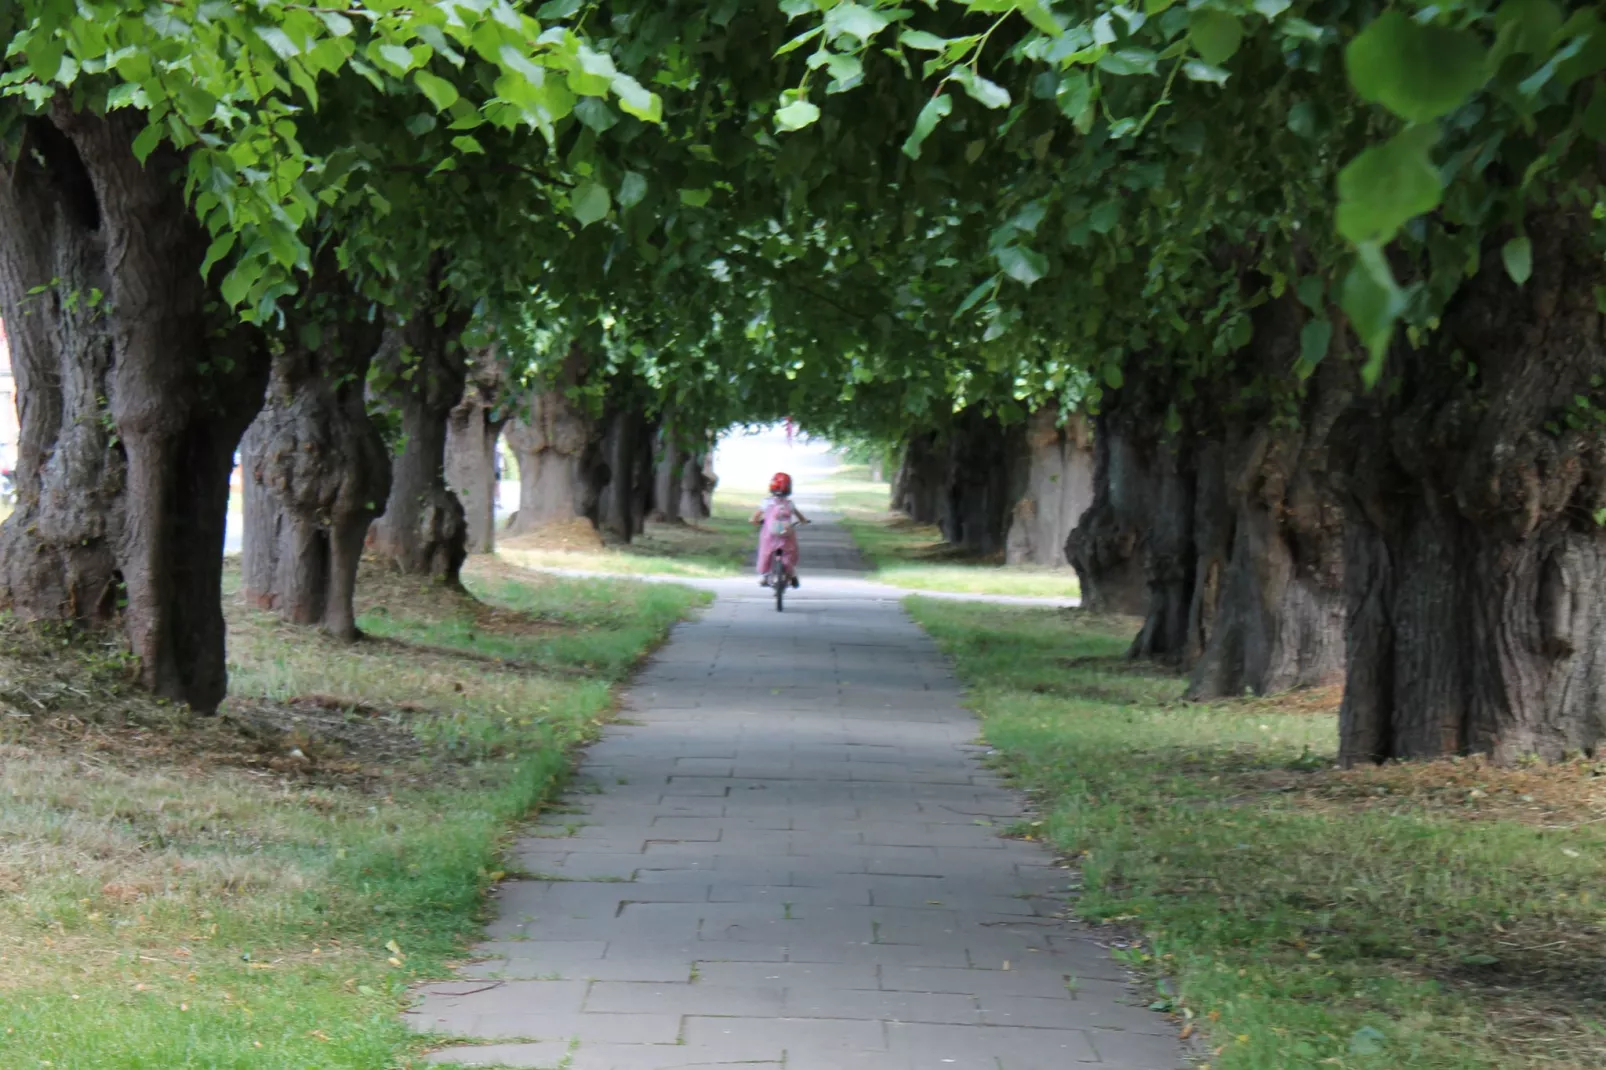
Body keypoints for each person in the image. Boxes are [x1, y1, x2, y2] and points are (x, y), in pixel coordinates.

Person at [752, 471, 808, 588]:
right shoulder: (789, 504)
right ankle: (791, 575)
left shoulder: (766, 502)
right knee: (790, 553)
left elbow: (756, 516)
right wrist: (804, 521)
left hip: (770, 535)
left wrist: (754, 521)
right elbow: (800, 517)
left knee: (765, 553)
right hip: (786, 535)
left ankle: (765, 576)